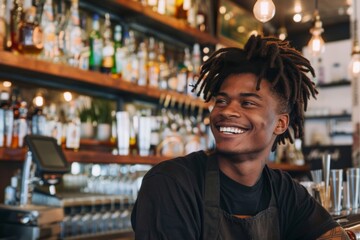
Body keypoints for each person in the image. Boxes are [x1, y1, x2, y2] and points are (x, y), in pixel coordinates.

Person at [131, 35, 350, 239]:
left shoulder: (283, 190)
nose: (226, 111)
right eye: (221, 101)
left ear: (281, 123)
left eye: (247, 103)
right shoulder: (171, 184)